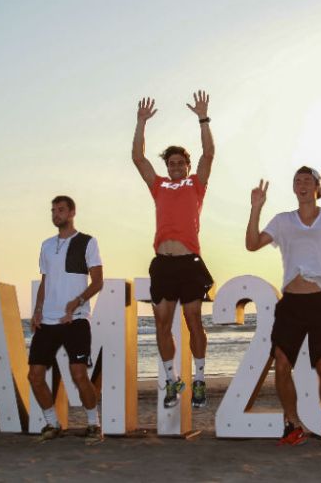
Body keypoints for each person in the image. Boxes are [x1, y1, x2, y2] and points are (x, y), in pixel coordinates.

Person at [245, 167, 321, 449]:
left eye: (308, 180)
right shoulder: (283, 221)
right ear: (294, 189)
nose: (303, 184)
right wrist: (255, 208)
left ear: (317, 188)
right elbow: (252, 244)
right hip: (292, 303)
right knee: (281, 364)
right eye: (298, 181)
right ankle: (292, 424)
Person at [131, 91, 215, 409]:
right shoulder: (160, 186)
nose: (176, 166)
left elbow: (209, 154)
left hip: (189, 262)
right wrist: (141, 123)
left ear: (187, 166)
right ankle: (172, 381)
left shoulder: (196, 184)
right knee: (162, 325)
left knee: (194, 320)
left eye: (181, 162)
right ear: (167, 167)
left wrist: (203, 118)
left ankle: (200, 380)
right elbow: (139, 159)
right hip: (162, 264)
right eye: (171, 163)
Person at [28, 196, 105, 445]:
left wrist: (77, 301)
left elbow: (98, 282)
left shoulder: (87, 242)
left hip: (76, 319)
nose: (56, 214)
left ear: (72, 212)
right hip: (48, 321)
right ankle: (52, 423)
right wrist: (38, 310)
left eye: (60, 210)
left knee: (79, 374)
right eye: (53, 210)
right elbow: (45, 281)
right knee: (35, 376)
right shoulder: (47, 245)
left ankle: (94, 425)